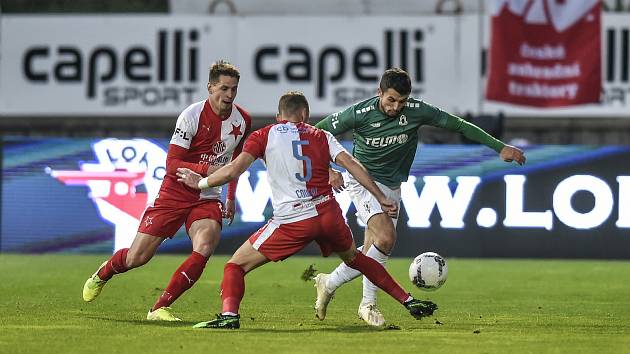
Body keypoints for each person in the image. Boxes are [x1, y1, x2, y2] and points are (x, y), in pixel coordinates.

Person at [176, 91, 438, 329]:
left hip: (292, 220)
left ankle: (229, 316)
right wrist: (380, 196)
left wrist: (198, 182)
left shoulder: (264, 134)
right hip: (328, 215)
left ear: (279, 116)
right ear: (306, 115)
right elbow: (354, 165)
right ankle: (407, 300)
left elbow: (232, 171)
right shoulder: (322, 135)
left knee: (234, 266)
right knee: (357, 259)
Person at [314, 68, 526, 327]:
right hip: (363, 181)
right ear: (379, 92)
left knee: (376, 248)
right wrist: (326, 169)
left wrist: (500, 147)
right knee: (385, 237)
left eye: (402, 102)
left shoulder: (417, 110)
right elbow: (314, 134)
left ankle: (329, 282)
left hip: (393, 186)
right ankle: (368, 305)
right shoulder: (358, 114)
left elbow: (458, 125)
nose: (396, 107)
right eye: (391, 100)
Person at [81, 60, 252, 321]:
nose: (229, 95)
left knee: (205, 246)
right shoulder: (191, 116)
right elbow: (172, 164)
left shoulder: (242, 120)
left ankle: (159, 307)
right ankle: (104, 272)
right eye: (224, 88)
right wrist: (205, 171)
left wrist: (229, 196)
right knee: (137, 257)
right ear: (210, 87)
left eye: (234, 89)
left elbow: (237, 164)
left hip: (207, 195)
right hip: (175, 192)